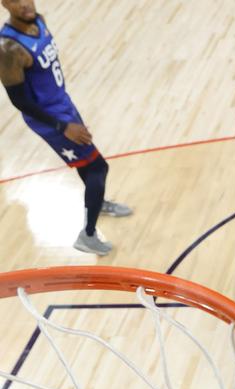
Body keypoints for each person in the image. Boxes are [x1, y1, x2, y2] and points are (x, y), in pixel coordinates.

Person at [0, 0, 132, 255]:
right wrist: (62, 127)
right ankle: (88, 235)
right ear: (5, 3)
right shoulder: (8, 49)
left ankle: (97, 201)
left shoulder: (38, 20)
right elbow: (19, 101)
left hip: (63, 105)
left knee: (87, 164)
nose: (24, 3)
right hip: (51, 120)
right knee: (98, 167)